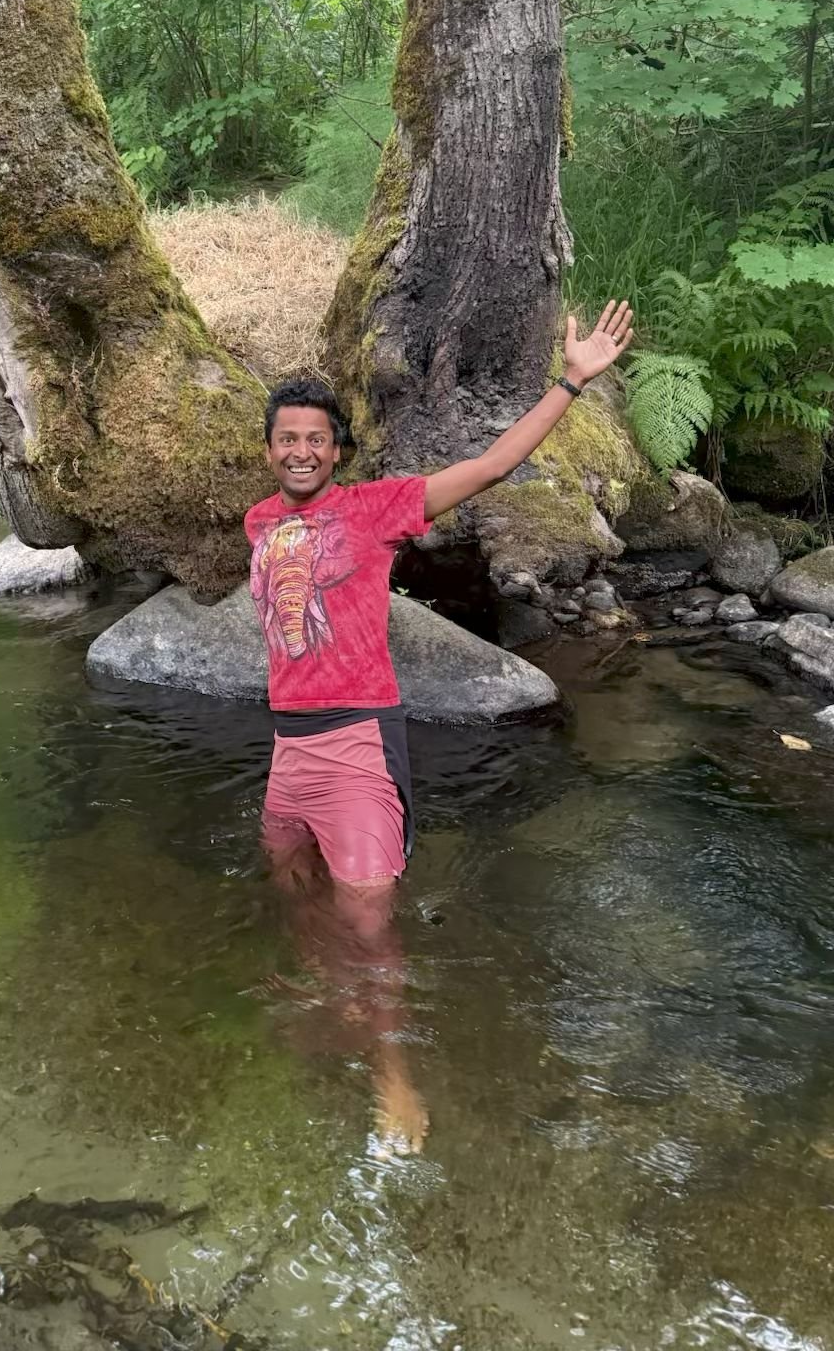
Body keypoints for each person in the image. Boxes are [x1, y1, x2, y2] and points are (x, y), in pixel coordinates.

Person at [244, 299, 634, 1152]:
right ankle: (328, 993)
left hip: (357, 746)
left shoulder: (375, 510)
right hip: (287, 749)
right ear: (269, 449)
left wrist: (571, 381)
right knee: (291, 883)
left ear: (337, 451)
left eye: (316, 439)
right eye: (287, 438)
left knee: (371, 920)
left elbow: (491, 466)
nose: (301, 450)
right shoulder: (260, 521)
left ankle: (394, 1077)